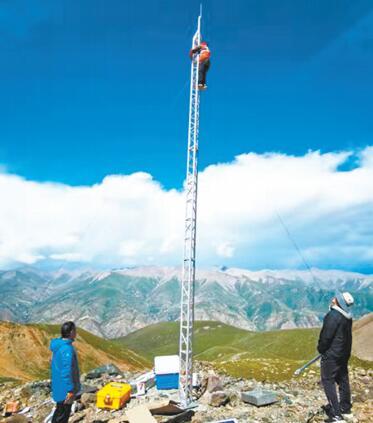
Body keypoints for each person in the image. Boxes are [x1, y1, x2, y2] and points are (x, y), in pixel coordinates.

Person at [317, 292, 354, 422]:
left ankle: (336, 415)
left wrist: (321, 349)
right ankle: (345, 407)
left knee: (328, 380)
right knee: (343, 378)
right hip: (343, 353)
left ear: (339, 302)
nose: (333, 299)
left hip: (332, 354)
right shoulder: (347, 316)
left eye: (335, 298)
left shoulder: (333, 316)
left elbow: (326, 336)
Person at [50, 321, 81, 423]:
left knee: (60, 411)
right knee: (63, 415)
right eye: (75, 330)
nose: (76, 332)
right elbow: (66, 371)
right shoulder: (67, 349)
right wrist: (70, 389)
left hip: (58, 385)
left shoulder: (59, 345)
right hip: (65, 389)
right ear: (71, 332)